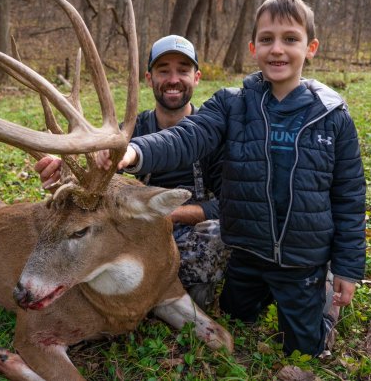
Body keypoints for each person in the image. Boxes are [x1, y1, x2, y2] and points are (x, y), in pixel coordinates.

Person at [99, 0, 366, 356]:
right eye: (267, 39)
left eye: (290, 39)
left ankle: (325, 296)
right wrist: (134, 151)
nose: (277, 49)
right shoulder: (232, 104)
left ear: (311, 47)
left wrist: (348, 268)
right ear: (253, 48)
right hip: (248, 254)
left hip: (302, 259)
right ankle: (268, 292)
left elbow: (349, 196)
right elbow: (187, 135)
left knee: (304, 350)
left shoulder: (331, 116)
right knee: (235, 315)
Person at [36, 35, 229, 310]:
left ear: (196, 77)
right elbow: (93, 184)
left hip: (188, 231)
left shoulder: (211, 135)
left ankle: (171, 286)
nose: (173, 79)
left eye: (183, 70)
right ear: (149, 78)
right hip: (136, 232)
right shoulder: (126, 134)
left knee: (221, 233)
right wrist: (63, 171)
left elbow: (226, 206)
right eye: (164, 71)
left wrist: (167, 212)